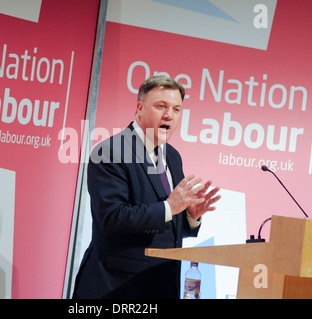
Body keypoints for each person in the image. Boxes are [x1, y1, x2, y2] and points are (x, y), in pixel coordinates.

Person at [72, 76, 221, 299]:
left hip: (160, 284)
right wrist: (171, 207)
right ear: (140, 109)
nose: (169, 115)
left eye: (176, 109)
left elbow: (163, 225)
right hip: (117, 287)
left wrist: (189, 217)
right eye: (161, 106)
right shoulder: (111, 152)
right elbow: (113, 219)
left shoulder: (172, 155)